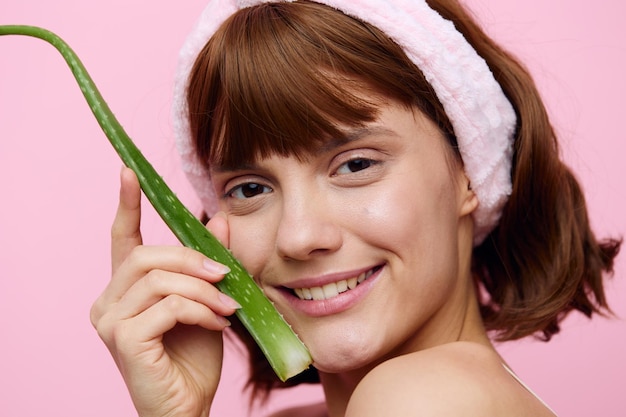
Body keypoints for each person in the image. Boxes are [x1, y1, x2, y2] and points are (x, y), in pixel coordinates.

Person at [89, 0, 621, 416]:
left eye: (356, 164)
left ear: (469, 172)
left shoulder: (424, 400)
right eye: (250, 189)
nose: (299, 236)